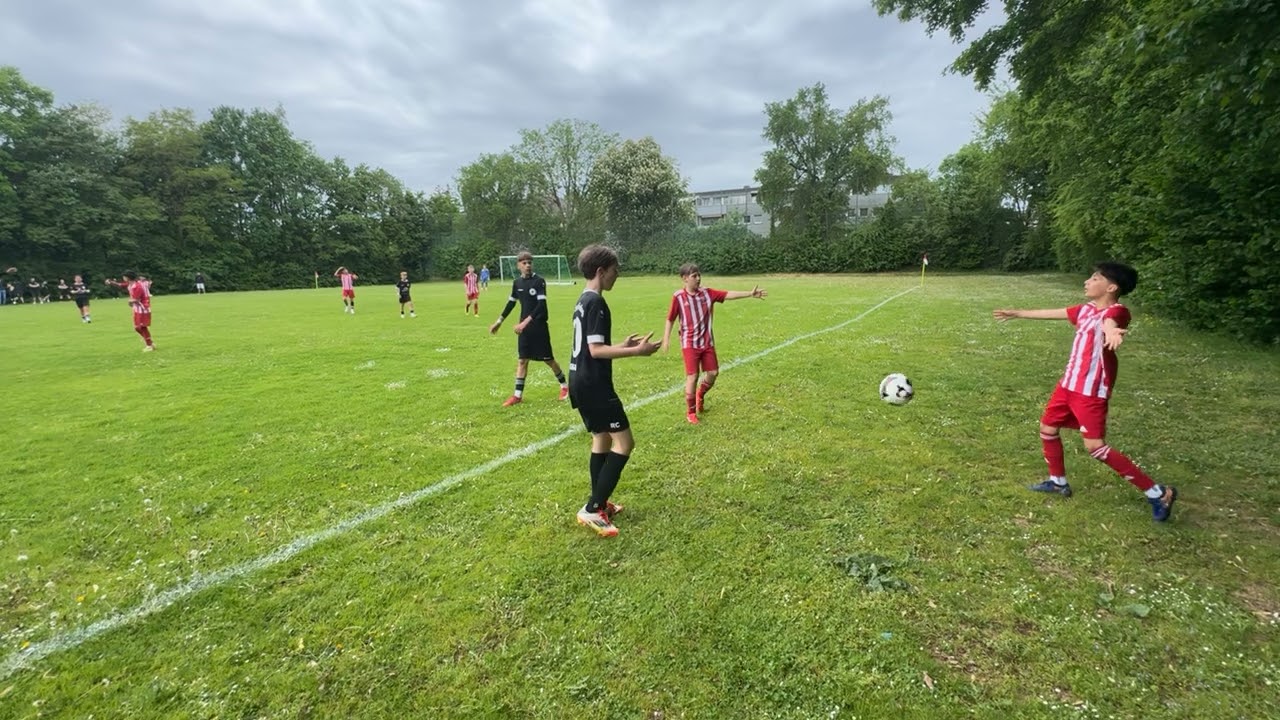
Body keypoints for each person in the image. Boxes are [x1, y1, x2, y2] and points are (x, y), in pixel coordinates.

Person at [993, 262, 1177, 522]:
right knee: (1047, 429)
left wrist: (1113, 332)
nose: (1087, 282)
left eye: (1094, 278)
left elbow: (1110, 323)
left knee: (1095, 447)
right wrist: (1017, 313)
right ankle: (1058, 482)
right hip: (1067, 385)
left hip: (1090, 392)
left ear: (1111, 287)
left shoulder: (1117, 311)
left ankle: (1158, 493)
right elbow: (1053, 313)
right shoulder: (1085, 310)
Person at [569, 244, 661, 537]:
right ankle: (593, 509)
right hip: (595, 384)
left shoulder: (583, 300)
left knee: (602, 438)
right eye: (614, 269)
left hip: (579, 380)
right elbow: (596, 351)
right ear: (601, 271)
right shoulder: (597, 303)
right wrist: (638, 353)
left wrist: (622, 346)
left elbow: (590, 347)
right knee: (625, 443)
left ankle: (600, 503)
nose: (617, 274)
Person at [660, 263, 767, 424]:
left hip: (707, 342)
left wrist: (750, 294)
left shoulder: (707, 293)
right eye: (694, 276)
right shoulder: (678, 297)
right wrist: (666, 339)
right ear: (684, 279)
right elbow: (670, 319)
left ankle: (700, 395)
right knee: (692, 376)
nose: (698, 278)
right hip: (689, 343)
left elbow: (728, 294)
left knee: (713, 373)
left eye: (698, 275)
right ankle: (690, 413)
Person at [489, 251, 569, 406]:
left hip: (538, 327)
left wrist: (524, 323)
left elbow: (541, 306)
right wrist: (499, 322)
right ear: (518, 265)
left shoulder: (539, 282)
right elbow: (511, 303)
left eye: (529, 263)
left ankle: (564, 387)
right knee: (522, 360)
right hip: (524, 329)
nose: (527, 266)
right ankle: (517, 396)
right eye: (524, 263)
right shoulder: (517, 283)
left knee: (548, 360)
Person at [105, 270, 155, 351]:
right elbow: (120, 285)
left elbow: (136, 299)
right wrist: (111, 282)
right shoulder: (130, 284)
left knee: (141, 327)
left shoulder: (137, 286)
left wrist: (129, 302)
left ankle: (149, 345)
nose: (123, 278)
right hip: (137, 309)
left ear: (127, 277)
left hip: (143, 309)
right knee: (137, 328)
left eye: (124, 276)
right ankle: (150, 342)